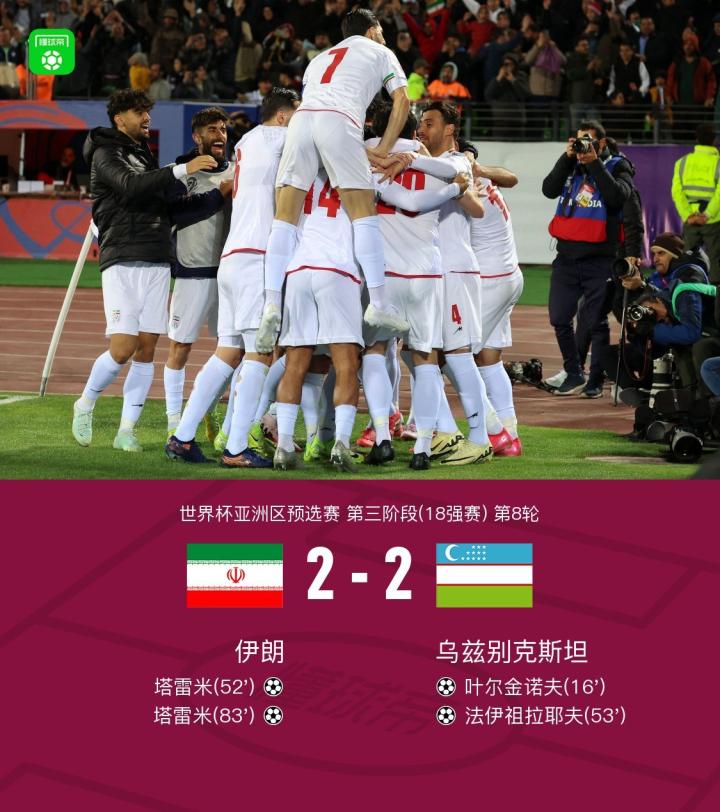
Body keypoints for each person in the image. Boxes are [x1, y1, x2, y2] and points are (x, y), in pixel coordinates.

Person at [256, 8, 412, 353]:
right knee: (363, 213)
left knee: (285, 218)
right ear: (371, 30)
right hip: (339, 120)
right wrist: (384, 148)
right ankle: (380, 303)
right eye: (381, 31)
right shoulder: (380, 51)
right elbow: (403, 100)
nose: (384, 37)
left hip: (301, 122)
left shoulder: (319, 58)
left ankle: (271, 303)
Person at [71, 89, 217, 451]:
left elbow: (165, 205)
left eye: (148, 111)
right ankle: (85, 402)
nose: (147, 118)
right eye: (139, 112)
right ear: (119, 118)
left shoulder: (143, 155)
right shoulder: (105, 152)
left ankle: (126, 431)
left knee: (147, 349)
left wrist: (217, 196)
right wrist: (181, 169)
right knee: (123, 347)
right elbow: (130, 186)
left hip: (156, 257)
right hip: (122, 256)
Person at [165, 88, 300, 467]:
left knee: (228, 351)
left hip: (232, 258)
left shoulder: (248, 142)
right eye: (299, 112)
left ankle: (182, 437)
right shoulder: (285, 140)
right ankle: (237, 447)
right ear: (283, 116)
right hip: (258, 257)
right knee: (260, 353)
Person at [416, 101, 493, 467]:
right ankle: (446, 430)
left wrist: (412, 160)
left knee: (458, 354)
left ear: (449, 129)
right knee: (418, 351)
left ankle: (480, 438)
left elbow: (477, 208)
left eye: (430, 123)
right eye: (420, 122)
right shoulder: (428, 162)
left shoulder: (457, 161)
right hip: (433, 271)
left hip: (455, 270)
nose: (422, 129)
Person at [541, 119, 634, 396]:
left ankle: (595, 381)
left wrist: (594, 163)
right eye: (579, 141)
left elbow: (617, 197)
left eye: (589, 142)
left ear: (601, 143)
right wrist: (566, 158)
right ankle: (574, 372)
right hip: (567, 257)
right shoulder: (571, 165)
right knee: (559, 317)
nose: (583, 147)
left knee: (595, 322)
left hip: (600, 259)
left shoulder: (618, 166)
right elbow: (548, 189)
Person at [163, 107, 234, 440]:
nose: (220, 135)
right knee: (180, 347)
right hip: (192, 271)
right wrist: (218, 196)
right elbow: (175, 214)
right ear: (197, 136)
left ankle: (210, 408)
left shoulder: (237, 170)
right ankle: (173, 421)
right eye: (212, 130)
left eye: (223, 129)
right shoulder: (179, 173)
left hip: (231, 273)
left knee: (231, 349)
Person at [671, 124, 720, 285]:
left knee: (687, 260)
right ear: (714, 140)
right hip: (713, 221)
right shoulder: (718, 163)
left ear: (696, 139)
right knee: (715, 262)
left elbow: (676, 192)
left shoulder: (682, 162)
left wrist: (688, 215)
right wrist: (707, 214)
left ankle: (687, 291)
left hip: (691, 219)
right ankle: (715, 297)